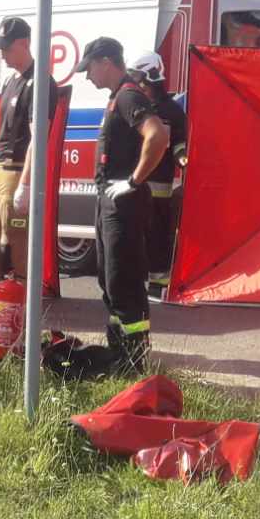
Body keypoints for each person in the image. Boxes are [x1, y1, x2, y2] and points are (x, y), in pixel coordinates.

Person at [81, 35, 171, 369]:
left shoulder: (128, 95)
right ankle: (119, 352)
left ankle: (133, 360)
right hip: (111, 202)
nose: (88, 76)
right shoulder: (117, 96)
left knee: (124, 281)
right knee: (110, 280)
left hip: (124, 206)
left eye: (89, 68)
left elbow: (157, 136)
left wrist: (133, 181)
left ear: (106, 62)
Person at [129, 53, 186, 292]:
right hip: (133, 184)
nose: (134, 82)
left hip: (159, 189)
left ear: (150, 76)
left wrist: (182, 158)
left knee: (158, 236)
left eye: (137, 77)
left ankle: (157, 284)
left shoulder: (172, 111)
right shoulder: (134, 105)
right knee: (132, 237)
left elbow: (180, 143)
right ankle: (134, 284)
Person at [0, 16, 35, 282]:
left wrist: (25, 184)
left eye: (7, 47)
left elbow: (38, 138)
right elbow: (1, 130)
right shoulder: (9, 81)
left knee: (13, 241)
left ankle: (19, 299)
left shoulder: (38, 83)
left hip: (16, 171)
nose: (2, 54)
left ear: (24, 43)